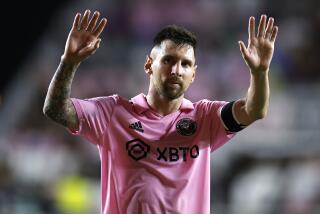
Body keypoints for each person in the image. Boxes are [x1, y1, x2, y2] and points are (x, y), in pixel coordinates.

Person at [43, 9, 278, 214]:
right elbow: (55, 109)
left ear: (193, 75)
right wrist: (69, 61)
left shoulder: (205, 118)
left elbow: (254, 110)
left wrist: (260, 72)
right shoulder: (113, 113)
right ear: (149, 65)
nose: (176, 70)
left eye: (185, 64)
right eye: (168, 60)